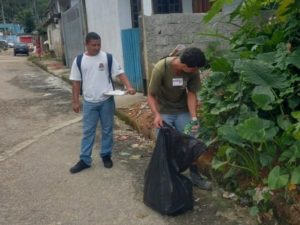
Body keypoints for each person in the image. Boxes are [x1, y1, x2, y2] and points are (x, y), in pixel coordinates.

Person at [69, 32, 136, 173]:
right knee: (88, 131)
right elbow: (75, 83)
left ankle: (106, 155)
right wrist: (75, 101)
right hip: (89, 102)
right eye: (93, 45)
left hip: (107, 100)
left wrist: (128, 86)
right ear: (86, 44)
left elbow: (120, 73)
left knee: (107, 130)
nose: (96, 47)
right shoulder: (79, 60)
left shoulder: (107, 58)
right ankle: (85, 159)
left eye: (99, 44)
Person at [147, 47, 212, 190]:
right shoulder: (161, 68)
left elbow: (191, 94)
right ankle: (167, 177)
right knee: (164, 142)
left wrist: (194, 117)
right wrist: (156, 115)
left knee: (192, 140)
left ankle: (195, 176)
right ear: (184, 65)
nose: (196, 71)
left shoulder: (193, 71)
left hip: (182, 110)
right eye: (194, 69)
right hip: (164, 111)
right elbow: (151, 95)